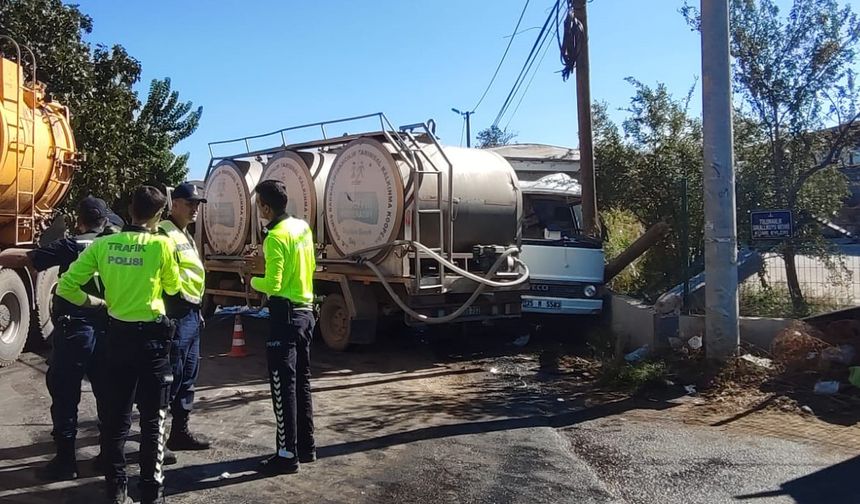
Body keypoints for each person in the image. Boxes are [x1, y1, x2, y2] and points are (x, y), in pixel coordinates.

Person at [57, 186, 180, 504]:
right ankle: (151, 490)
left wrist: (97, 303)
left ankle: (116, 489)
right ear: (157, 216)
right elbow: (173, 289)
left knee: (116, 419)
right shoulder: (160, 246)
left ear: (129, 208)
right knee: (153, 418)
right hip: (152, 341)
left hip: (117, 338)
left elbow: (66, 287)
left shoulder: (104, 245)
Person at [0, 197, 114, 480]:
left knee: (65, 394)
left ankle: (66, 462)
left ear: (81, 220)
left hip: (75, 331)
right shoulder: (115, 245)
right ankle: (108, 456)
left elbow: (27, 257)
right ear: (104, 221)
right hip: (108, 331)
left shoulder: (71, 245)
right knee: (109, 395)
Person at [250, 179, 317, 474]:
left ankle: (287, 454)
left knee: (282, 385)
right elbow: (310, 265)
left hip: (284, 315)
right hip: (306, 310)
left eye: (258, 206)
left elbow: (273, 285)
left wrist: (252, 278)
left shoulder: (275, 237)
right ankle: (306, 447)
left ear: (265, 206)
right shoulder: (302, 228)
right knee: (301, 382)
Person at [158, 183, 211, 452]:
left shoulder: (185, 235)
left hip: (191, 314)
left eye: (197, 205)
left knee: (188, 375)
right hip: (176, 314)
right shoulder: (164, 233)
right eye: (190, 204)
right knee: (172, 377)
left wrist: (197, 310)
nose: (195, 209)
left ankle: (180, 432)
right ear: (174, 204)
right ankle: (160, 438)